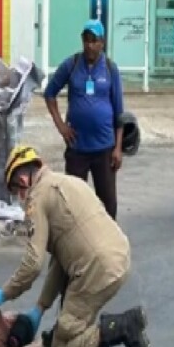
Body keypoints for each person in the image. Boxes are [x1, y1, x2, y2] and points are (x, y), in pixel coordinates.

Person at [0, 145, 151, 347]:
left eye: (17, 192)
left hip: (97, 270)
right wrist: (40, 308)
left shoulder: (37, 199)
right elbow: (61, 260)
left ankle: (121, 327)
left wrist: (5, 293)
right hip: (120, 256)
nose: (20, 199)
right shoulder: (69, 182)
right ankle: (75, 327)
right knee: (65, 329)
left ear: (24, 180)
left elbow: (33, 263)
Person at [43, 19, 125, 219]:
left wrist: (118, 148)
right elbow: (49, 94)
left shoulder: (109, 68)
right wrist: (61, 126)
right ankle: (74, 246)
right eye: (86, 40)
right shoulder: (71, 65)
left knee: (108, 203)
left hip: (104, 148)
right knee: (72, 204)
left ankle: (107, 244)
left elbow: (119, 112)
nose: (89, 45)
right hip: (77, 148)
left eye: (94, 40)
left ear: (102, 43)